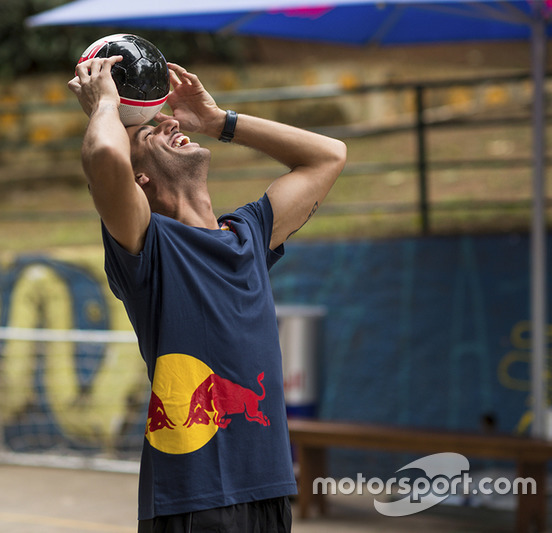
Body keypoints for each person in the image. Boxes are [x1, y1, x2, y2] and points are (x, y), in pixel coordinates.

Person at [68, 55, 346, 533]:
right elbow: (106, 158)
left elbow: (329, 155)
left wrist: (220, 121)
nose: (171, 121)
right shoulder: (146, 245)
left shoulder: (250, 234)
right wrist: (106, 106)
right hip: (193, 501)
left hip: (270, 491)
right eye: (148, 130)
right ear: (140, 181)